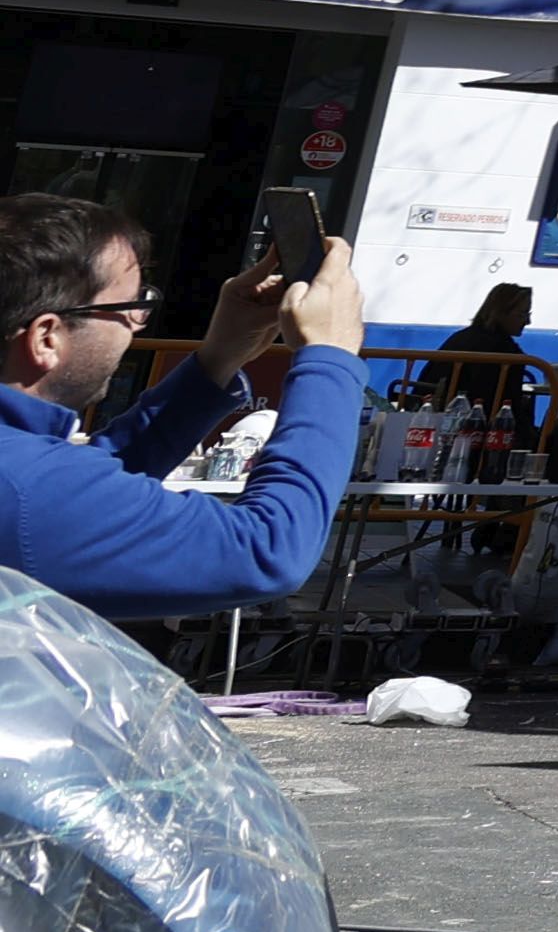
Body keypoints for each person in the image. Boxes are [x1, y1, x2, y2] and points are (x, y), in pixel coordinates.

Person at [0, 192, 365, 615]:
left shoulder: (22, 469)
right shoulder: (27, 489)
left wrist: (218, 358)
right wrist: (330, 356)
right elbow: (267, 550)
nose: (138, 323)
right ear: (47, 337)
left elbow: (81, 488)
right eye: (134, 306)